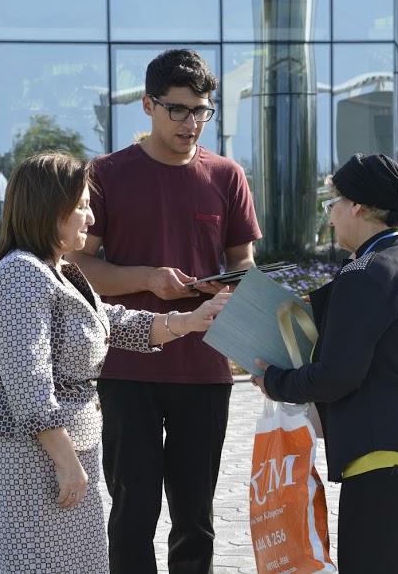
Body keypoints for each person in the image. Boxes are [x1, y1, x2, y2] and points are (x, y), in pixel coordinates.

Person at [0, 152, 230, 574]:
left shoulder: (60, 270)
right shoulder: (22, 274)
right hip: (28, 461)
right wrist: (66, 461)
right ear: (48, 210)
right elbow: (28, 384)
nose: (90, 219)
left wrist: (190, 320)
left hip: (61, 457)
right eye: (81, 207)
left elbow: (115, 322)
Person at [67, 48, 262, 574]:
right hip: (126, 365)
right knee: (133, 510)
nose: (191, 123)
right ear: (148, 105)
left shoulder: (227, 175)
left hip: (205, 367)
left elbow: (243, 262)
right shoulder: (106, 174)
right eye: (178, 109)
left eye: (201, 111)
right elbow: (79, 266)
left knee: (196, 516)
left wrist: (229, 285)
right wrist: (148, 279)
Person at [254, 153, 398, 574]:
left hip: (391, 462)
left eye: (332, 203)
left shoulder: (366, 271)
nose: (330, 217)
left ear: (357, 205)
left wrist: (275, 381)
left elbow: (337, 376)